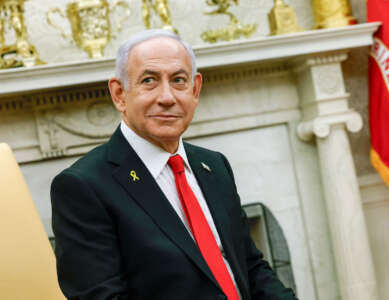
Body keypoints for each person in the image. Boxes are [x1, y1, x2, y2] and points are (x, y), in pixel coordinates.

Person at [51, 29, 298, 300]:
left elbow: (251, 267)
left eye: (179, 80)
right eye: (149, 80)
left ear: (195, 90)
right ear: (119, 94)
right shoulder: (82, 186)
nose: (167, 97)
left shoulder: (214, 165)